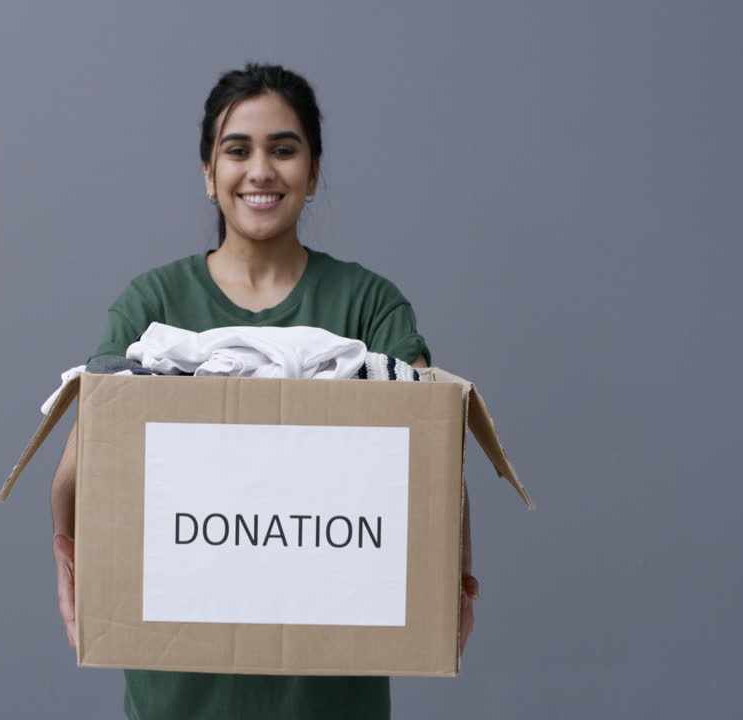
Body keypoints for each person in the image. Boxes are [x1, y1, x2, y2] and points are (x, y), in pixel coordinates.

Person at [49, 63, 478, 720]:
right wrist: (70, 561)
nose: (261, 171)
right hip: (179, 692)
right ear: (207, 172)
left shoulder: (367, 306)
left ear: (312, 170)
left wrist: (458, 573)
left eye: (284, 149)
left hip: (329, 693)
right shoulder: (154, 306)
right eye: (237, 150)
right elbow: (82, 463)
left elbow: (432, 456)